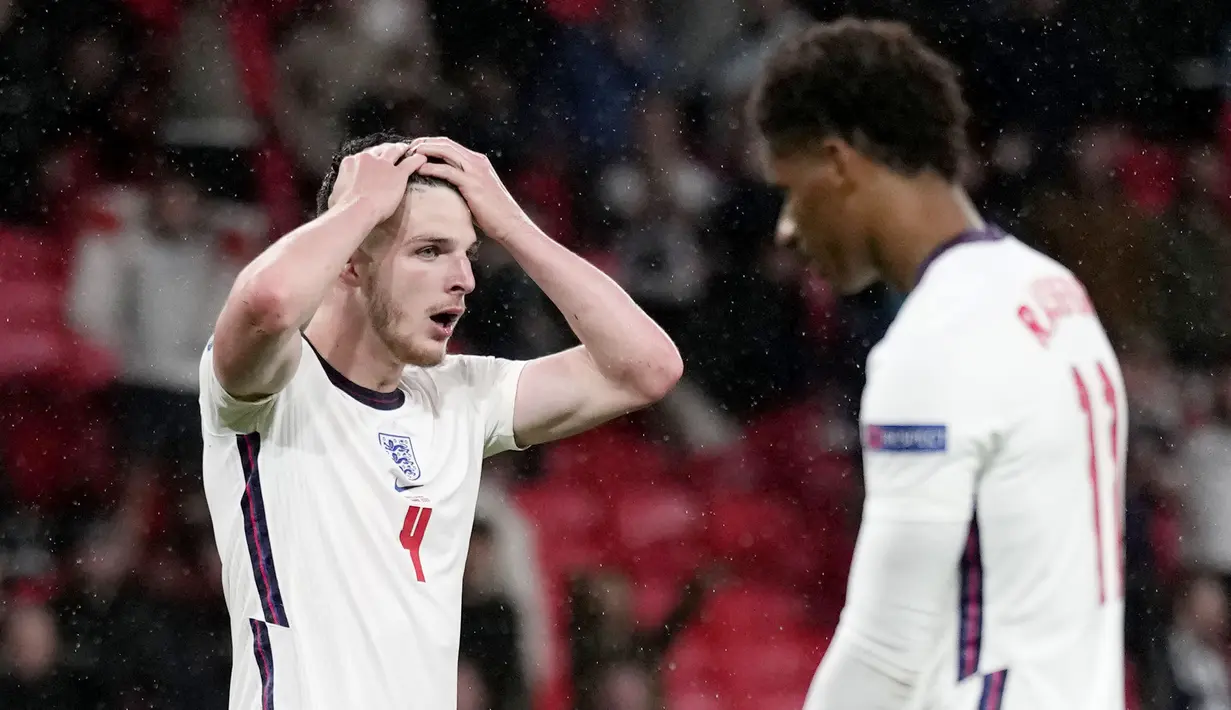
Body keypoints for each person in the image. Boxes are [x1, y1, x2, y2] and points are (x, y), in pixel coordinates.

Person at [199, 132, 682, 709]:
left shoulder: (461, 397)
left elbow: (647, 368)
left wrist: (512, 224)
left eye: (468, 253)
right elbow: (270, 302)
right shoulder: (273, 386)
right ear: (351, 262)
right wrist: (357, 207)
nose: (464, 278)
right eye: (429, 250)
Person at [751, 19, 1126, 710]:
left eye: (788, 187)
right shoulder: (1052, 292)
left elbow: (883, 649)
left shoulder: (935, 341)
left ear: (837, 164)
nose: (787, 227)